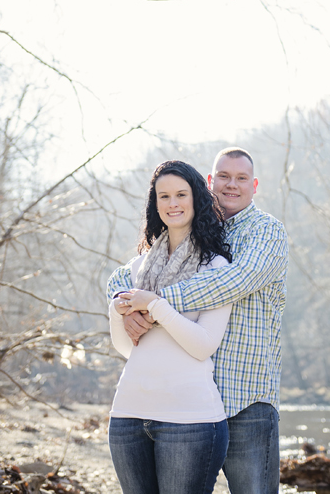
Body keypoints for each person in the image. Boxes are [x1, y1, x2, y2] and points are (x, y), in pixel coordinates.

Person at [108, 148, 288, 494]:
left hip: (245, 397)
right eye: (223, 176)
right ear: (209, 182)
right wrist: (122, 303)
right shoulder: (189, 231)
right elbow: (122, 276)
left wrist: (153, 304)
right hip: (189, 398)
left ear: (254, 185)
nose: (231, 185)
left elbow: (234, 282)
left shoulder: (265, 231)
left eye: (240, 178)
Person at [107, 159, 233, 494]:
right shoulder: (138, 267)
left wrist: (154, 305)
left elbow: (203, 345)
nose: (173, 203)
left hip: (190, 420)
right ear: (155, 204)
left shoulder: (215, 267)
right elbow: (126, 348)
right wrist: (117, 310)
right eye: (164, 197)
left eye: (181, 194)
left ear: (197, 199)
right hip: (128, 415)